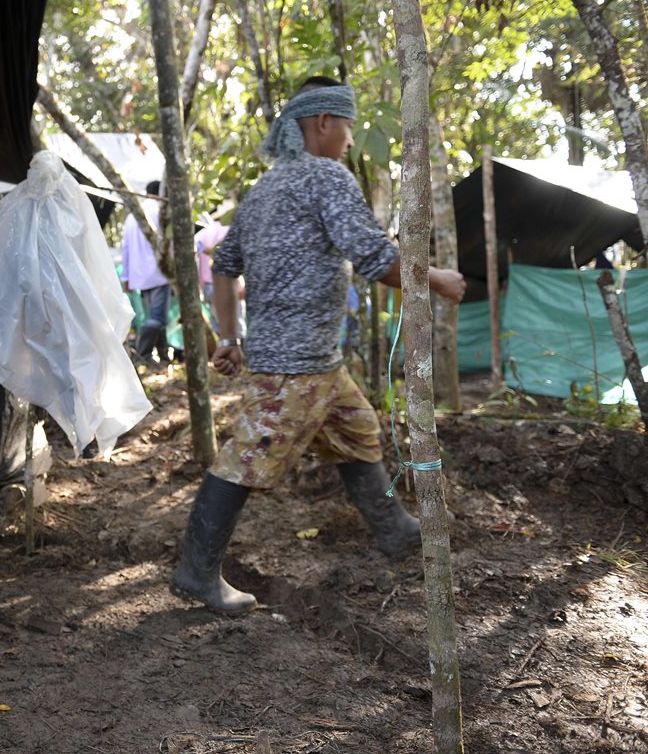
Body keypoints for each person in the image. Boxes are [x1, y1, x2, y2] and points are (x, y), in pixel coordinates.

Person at [171, 76, 467, 613]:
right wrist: (439, 277)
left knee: (357, 430)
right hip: (294, 367)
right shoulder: (325, 177)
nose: (351, 139)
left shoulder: (263, 189)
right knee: (245, 458)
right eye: (348, 126)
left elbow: (223, 265)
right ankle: (197, 571)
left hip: (319, 364)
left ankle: (397, 532)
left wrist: (230, 336)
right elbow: (376, 257)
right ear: (323, 123)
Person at [120, 180, 172, 364]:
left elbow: (124, 249)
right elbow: (170, 243)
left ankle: (163, 356)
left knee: (155, 318)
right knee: (158, 319)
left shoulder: (132, 216)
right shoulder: (161, 212)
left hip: (140, 276)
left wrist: (126, 277)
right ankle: (142, 354)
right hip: (160, 273)